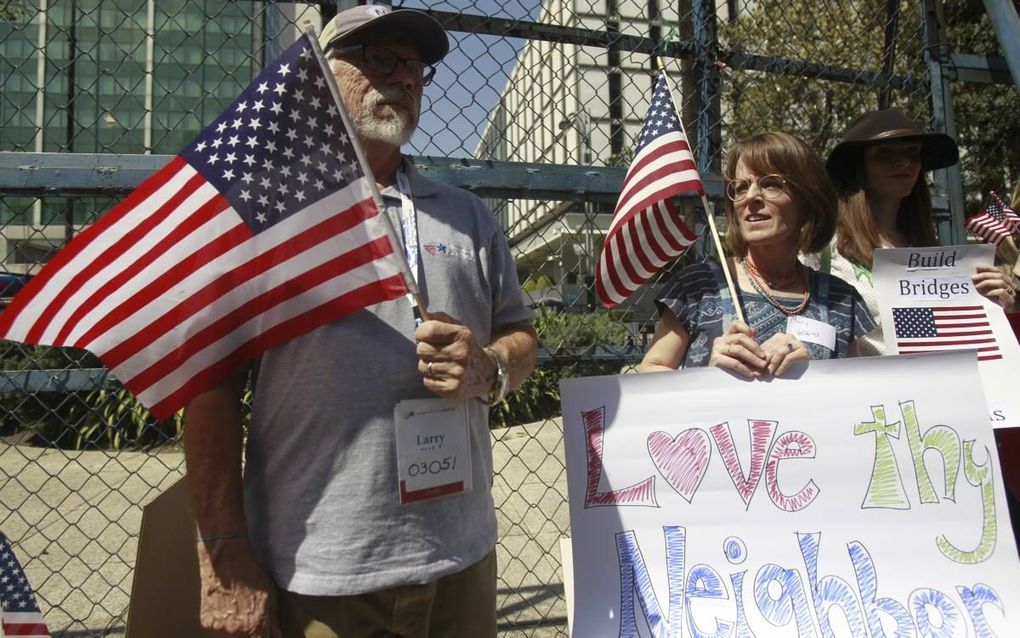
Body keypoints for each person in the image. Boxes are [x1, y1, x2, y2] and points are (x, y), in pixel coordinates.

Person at [182, 6, 538, 637]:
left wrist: (490, 366)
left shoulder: (469, 216)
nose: (404, 78)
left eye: (416, 67)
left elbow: (522, 338)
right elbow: (207, 391)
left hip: (462, 560)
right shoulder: (269, 215)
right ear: (321, 77)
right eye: (379, 59)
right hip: (322, 571)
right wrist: (223, 556)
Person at [639, 132, 875, 377]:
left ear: (807, 199)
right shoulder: (697, 288)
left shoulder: (841, 300)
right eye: (740, 188)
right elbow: (650, 374)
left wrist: (814, 371)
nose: (751, 197)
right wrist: (708, 376)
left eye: (770, 184)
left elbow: (853, 393)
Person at [808, 107, 1015, 355]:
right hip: (861, 389)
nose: (903, 162)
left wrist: (989, 303)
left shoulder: (931, 252)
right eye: (883, 154)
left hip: (930, 385)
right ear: (858, 165)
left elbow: (940, 334)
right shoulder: (822, 249)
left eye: (912, 153)